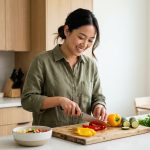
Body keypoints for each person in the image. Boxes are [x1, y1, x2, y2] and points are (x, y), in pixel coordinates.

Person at [21, 8, 107, 127]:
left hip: (83, 135)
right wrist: (59, 100)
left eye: (90, 40)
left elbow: (98, 97)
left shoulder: (90, 65)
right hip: (51, 138)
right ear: (67, 31)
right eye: (81, 37)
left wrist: (99, 106)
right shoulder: (42, 61)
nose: (85, 44)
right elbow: (27, 100)